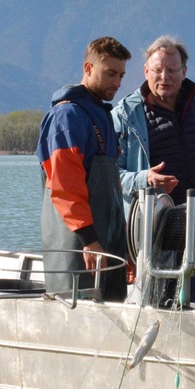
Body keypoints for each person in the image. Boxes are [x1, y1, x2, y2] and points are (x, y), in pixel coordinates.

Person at [111, 36, 195, 305]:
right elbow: (109, 175)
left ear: (184, 72)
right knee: (157, 302)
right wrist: (144, 178)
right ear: (146, 72)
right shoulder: (124, 115)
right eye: (158, 70)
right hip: (155, 231)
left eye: (172, 70)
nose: (165, 77)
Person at [37, 36, 132, 301]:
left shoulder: (101, 114)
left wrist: (122, 246)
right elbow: (65, 187)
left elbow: (110, 192)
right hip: (77, 247)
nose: (117, 83)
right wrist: (89, 240)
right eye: (110, 73)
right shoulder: (66, 117)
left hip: (107, 244)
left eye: (122, 75)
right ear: (88, 68)